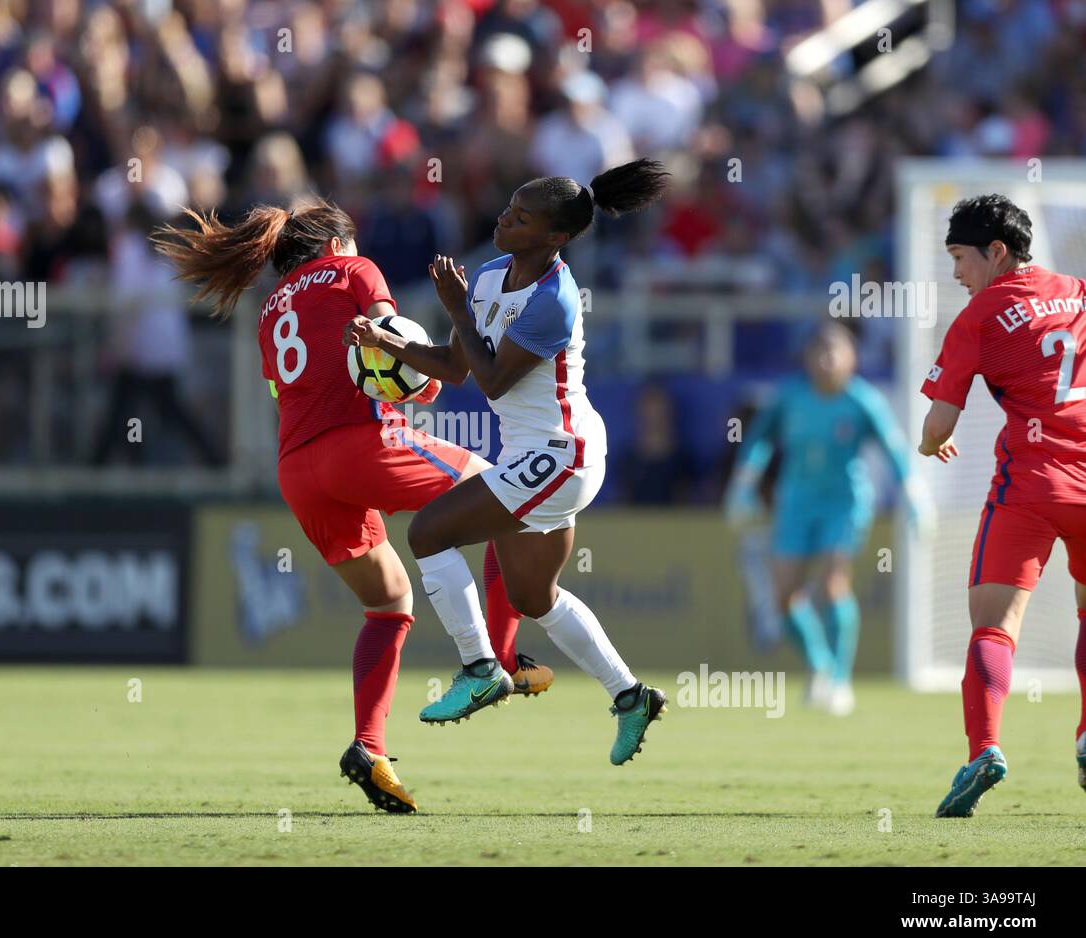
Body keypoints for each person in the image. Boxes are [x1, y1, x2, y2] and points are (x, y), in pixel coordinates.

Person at [154, 197, 544, 813]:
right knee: (510, 495)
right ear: (337, 242)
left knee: (388, 602)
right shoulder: (352, 271)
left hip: (300, 471)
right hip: (361, 443)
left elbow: (297, 387)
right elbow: (384, 344)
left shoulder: (269, 311)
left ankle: (369, 747)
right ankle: (496, 661)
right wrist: (435, 371)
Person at [347, 159, 669, 765]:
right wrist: (386, 343)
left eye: (521, 219)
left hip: (562, 456)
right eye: (507, 207)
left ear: (553, 239)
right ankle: (631, 697)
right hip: (534, 455)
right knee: (533, 597)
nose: (504, 220)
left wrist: (456, 307)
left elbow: (492, 384)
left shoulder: (555, 300)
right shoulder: (493, 273)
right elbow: (455, 367)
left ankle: (479, 667)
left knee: (427, 532)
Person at [918, 193, 1086, 817]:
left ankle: (984, 749)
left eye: (961, 258)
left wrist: (931, 441)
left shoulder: (983, 314)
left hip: (1031, 487)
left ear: (996, 252)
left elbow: (939, 426)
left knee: (994, 624)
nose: (957, 273)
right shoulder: (1079, 290)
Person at [725, 321, 932, 715]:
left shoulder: (862, 401)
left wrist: (915, 495)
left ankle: (839, 680)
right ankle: (819, 666)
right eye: (819, 351)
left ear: (852, 358)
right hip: (796, 504)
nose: (827, 360)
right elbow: (758, 441)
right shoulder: (788, 397)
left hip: (845, 502)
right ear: (806, 358)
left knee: (834, 583)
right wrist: (743, 484)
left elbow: (895, 449)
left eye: (835, 351)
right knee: (784, 597)